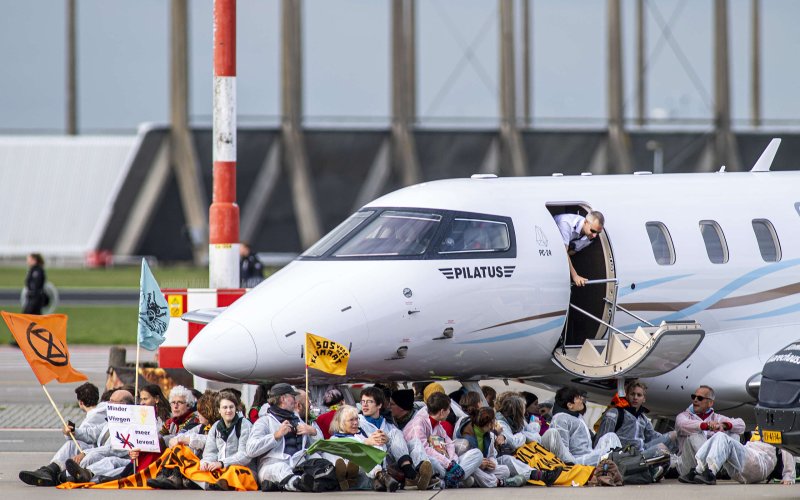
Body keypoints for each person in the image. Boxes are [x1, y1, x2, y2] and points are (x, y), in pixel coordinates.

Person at [18, 382, 105, 486]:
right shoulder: (105, 410)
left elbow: (86, 436)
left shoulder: (92, 418)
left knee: (71, 445)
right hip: (98, 449)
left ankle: (51, 471)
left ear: (80, 402)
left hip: (98, 451)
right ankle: (51, 471)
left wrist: (70, 434)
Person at [245, 383, 320, 492]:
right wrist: (276, 436)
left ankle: (325, 480)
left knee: (319, 459)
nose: (295, 400)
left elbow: (317, 447)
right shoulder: (264, 422)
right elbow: (250, 450)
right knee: (281, 468)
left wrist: (313, 432)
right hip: (271, 467)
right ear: (283, 398)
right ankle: (299, 483)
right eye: (293, 397)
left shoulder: (298, 420)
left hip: (298, 466)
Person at [358, 387, 433, 490]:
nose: (364, 405)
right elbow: (350, 442)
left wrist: (388, 440)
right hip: (371, 465)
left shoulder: (387, 422)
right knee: (384, 437)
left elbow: (398, 444)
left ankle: (421, 474)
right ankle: (412, 475)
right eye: (363, 402)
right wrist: (367, 441)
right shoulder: (357, 422)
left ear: (379, 405)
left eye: (369, 402)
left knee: (413, 441)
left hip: (390, 462)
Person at [404, 391, 483, 488]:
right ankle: (454, 480)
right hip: (428, 461)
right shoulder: (418, 423)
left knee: (477, 454)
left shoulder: (437, 424)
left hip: (445, 462)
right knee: (432, 463)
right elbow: (424, 449)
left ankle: (447, 480)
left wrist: (453, 460)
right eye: (449, 409)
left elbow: (449, 443)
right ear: (442, 412)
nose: (449, 412)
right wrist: (448, 464)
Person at [675, 385, 745, 482]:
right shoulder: (683, 416)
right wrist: (706, 426)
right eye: (693, 397)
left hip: (711, 465)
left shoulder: (717, 418)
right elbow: (682, 425)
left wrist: (724, 425)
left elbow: (741, 425)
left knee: (733, 434)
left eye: (700, 398)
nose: (695, 400)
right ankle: (708, 469)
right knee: (695, 434)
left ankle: (720, 470)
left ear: (710, 403)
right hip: (688, 468)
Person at [323, 405, 400, 492]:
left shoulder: (361, 435)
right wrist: (364, 444)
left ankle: (380, 477)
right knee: (353, 454)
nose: (355, 423)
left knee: (369, 450)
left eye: (356, 419)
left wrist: (378, 440)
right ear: (341, 423)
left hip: (365, 474)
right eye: (351, 420)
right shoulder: (334, 440)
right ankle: (380, 478)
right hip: (351, 476)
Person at [541, 386, 621, 466]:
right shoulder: (560, 419)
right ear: (570, 405)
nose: (581, 400)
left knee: (611, 436)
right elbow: (562, 450)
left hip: (588, 455)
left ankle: (617, 461)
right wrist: (573, 464)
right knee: (609, 455)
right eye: (578, 398)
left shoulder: (577, 416)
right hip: (577, 461)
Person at [683, 428, 796, 485]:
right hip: (748, 458)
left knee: (723, 437)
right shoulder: (762, 421)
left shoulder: (780, 424)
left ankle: (710, 472)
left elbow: (787, 448)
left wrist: (788, 475)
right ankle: (699, 469)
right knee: (719, 435)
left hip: (762, 461)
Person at [595, 380, 675, 460]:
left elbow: (653, 436)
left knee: (673, 435)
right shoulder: (615, 413)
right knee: (661, 448)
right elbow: (601, 440)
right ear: (627, 396)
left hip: (641, 450)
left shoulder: (643, 419)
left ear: (644, 399)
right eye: (632, 394)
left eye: (639, 395)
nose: (635, 397)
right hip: (622, 455)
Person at [198, 391, 254, 491]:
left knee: (232, 470)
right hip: (221, 468)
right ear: (219, 410)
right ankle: (218, 482)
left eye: (231, 407)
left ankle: (219, 482)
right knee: (197, 467)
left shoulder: (245, 425)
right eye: (225, 407)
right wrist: (206, 462)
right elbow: (210, 453)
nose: (228, 410)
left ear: (236, 408)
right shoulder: (215, 427)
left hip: (242, 469)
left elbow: (245, 455)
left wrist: (222, 463)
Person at [454, 405, 519, 487]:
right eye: (494, 421)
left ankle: (474, 482)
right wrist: (479, 463)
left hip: (484, 468)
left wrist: (490, 463)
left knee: (505, 470)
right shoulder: (466, 435)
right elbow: (464, 459)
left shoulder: (489, 435)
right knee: (475, 469)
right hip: (468, 467)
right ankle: (497, 482)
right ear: (489, 423)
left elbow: (492, 455)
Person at [553, 211, 604, 286]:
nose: (594, 235)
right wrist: (575, 276)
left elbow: (572, 252)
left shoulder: (590, 236)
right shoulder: (565, 224)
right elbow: (563, 253)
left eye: (598, 233)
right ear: (585, 222)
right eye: (593, 231)